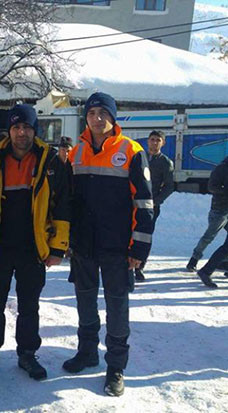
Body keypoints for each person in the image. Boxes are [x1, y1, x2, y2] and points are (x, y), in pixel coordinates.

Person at [0, 104, 71, 379]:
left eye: (26, 127)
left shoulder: (50, 163)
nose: (21, 132)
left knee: (29, 305)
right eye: (16, 127)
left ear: (34, 130)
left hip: (33, 248)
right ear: (8, 130)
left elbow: (62, 208)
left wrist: (57, 247)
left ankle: (27, 354)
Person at [64, 92, 153, 397]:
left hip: (117, 248)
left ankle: (115, 367)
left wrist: (138, 248)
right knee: (85, 302)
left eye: (103, 113)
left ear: (113, 118)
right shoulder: (76, 153)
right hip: (84, 246)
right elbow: (68, 201)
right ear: (86, 117)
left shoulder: (131, 151)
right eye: (92, 113)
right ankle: (87, 352)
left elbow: (144, 203)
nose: (97, 118)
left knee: (117, 307)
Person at [135, 130, 174, 281]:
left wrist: (156, 201)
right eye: (152, 139)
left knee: (145, 235)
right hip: (134, 202)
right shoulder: (140, 157)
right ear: (147, 141)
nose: (154, 142)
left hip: (151, 206)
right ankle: (127, 263)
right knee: (129, 232)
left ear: (163, 143)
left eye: (158, 140)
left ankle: (140, 267)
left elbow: (169, 186)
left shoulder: (165, 162)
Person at [186, 157, 228, 273]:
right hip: (219, 210)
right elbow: (212, 187)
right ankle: (194, 259)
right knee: (209, 236)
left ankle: (224, 262)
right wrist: (225, 191)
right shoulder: (221, 168)